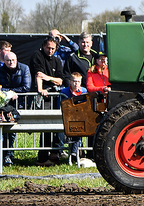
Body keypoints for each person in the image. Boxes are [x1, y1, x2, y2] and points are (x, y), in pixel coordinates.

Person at [29, 36, 65, 165]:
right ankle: (43, 157)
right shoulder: (37, 56)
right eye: (48, 48)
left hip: (56, 95)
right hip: (43, 96)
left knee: (56, 125)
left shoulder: (57, 60)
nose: (50, 50)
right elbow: (38, 75)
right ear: (43, 46)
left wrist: (48, 78)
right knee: (45, 126)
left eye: (53, 49)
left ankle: (55, 154)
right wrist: (42, 86)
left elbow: (60, 80)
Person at [0, 51, 31, 166]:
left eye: (13, 60)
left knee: (12, 131)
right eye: (8, 60)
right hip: (3, 105)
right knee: (4, 131)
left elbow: (26, 87)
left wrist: (10, 92)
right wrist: (8, 93)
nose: (11, 62)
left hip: (19, 104)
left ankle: (8, 154)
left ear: (16, 60)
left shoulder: (24, 69)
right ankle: (5, 155)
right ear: (4, 61)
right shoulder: (1, 70)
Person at [60, 72, 87, 159]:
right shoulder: (64, 92)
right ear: (70, 81)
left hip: (80, 118)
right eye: (74, 81)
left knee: (78, 128)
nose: (76, 84)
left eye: (78, 82)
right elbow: (59, 105)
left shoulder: (84, 91)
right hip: (67, 117)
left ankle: (74, 152)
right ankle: (73, 152)